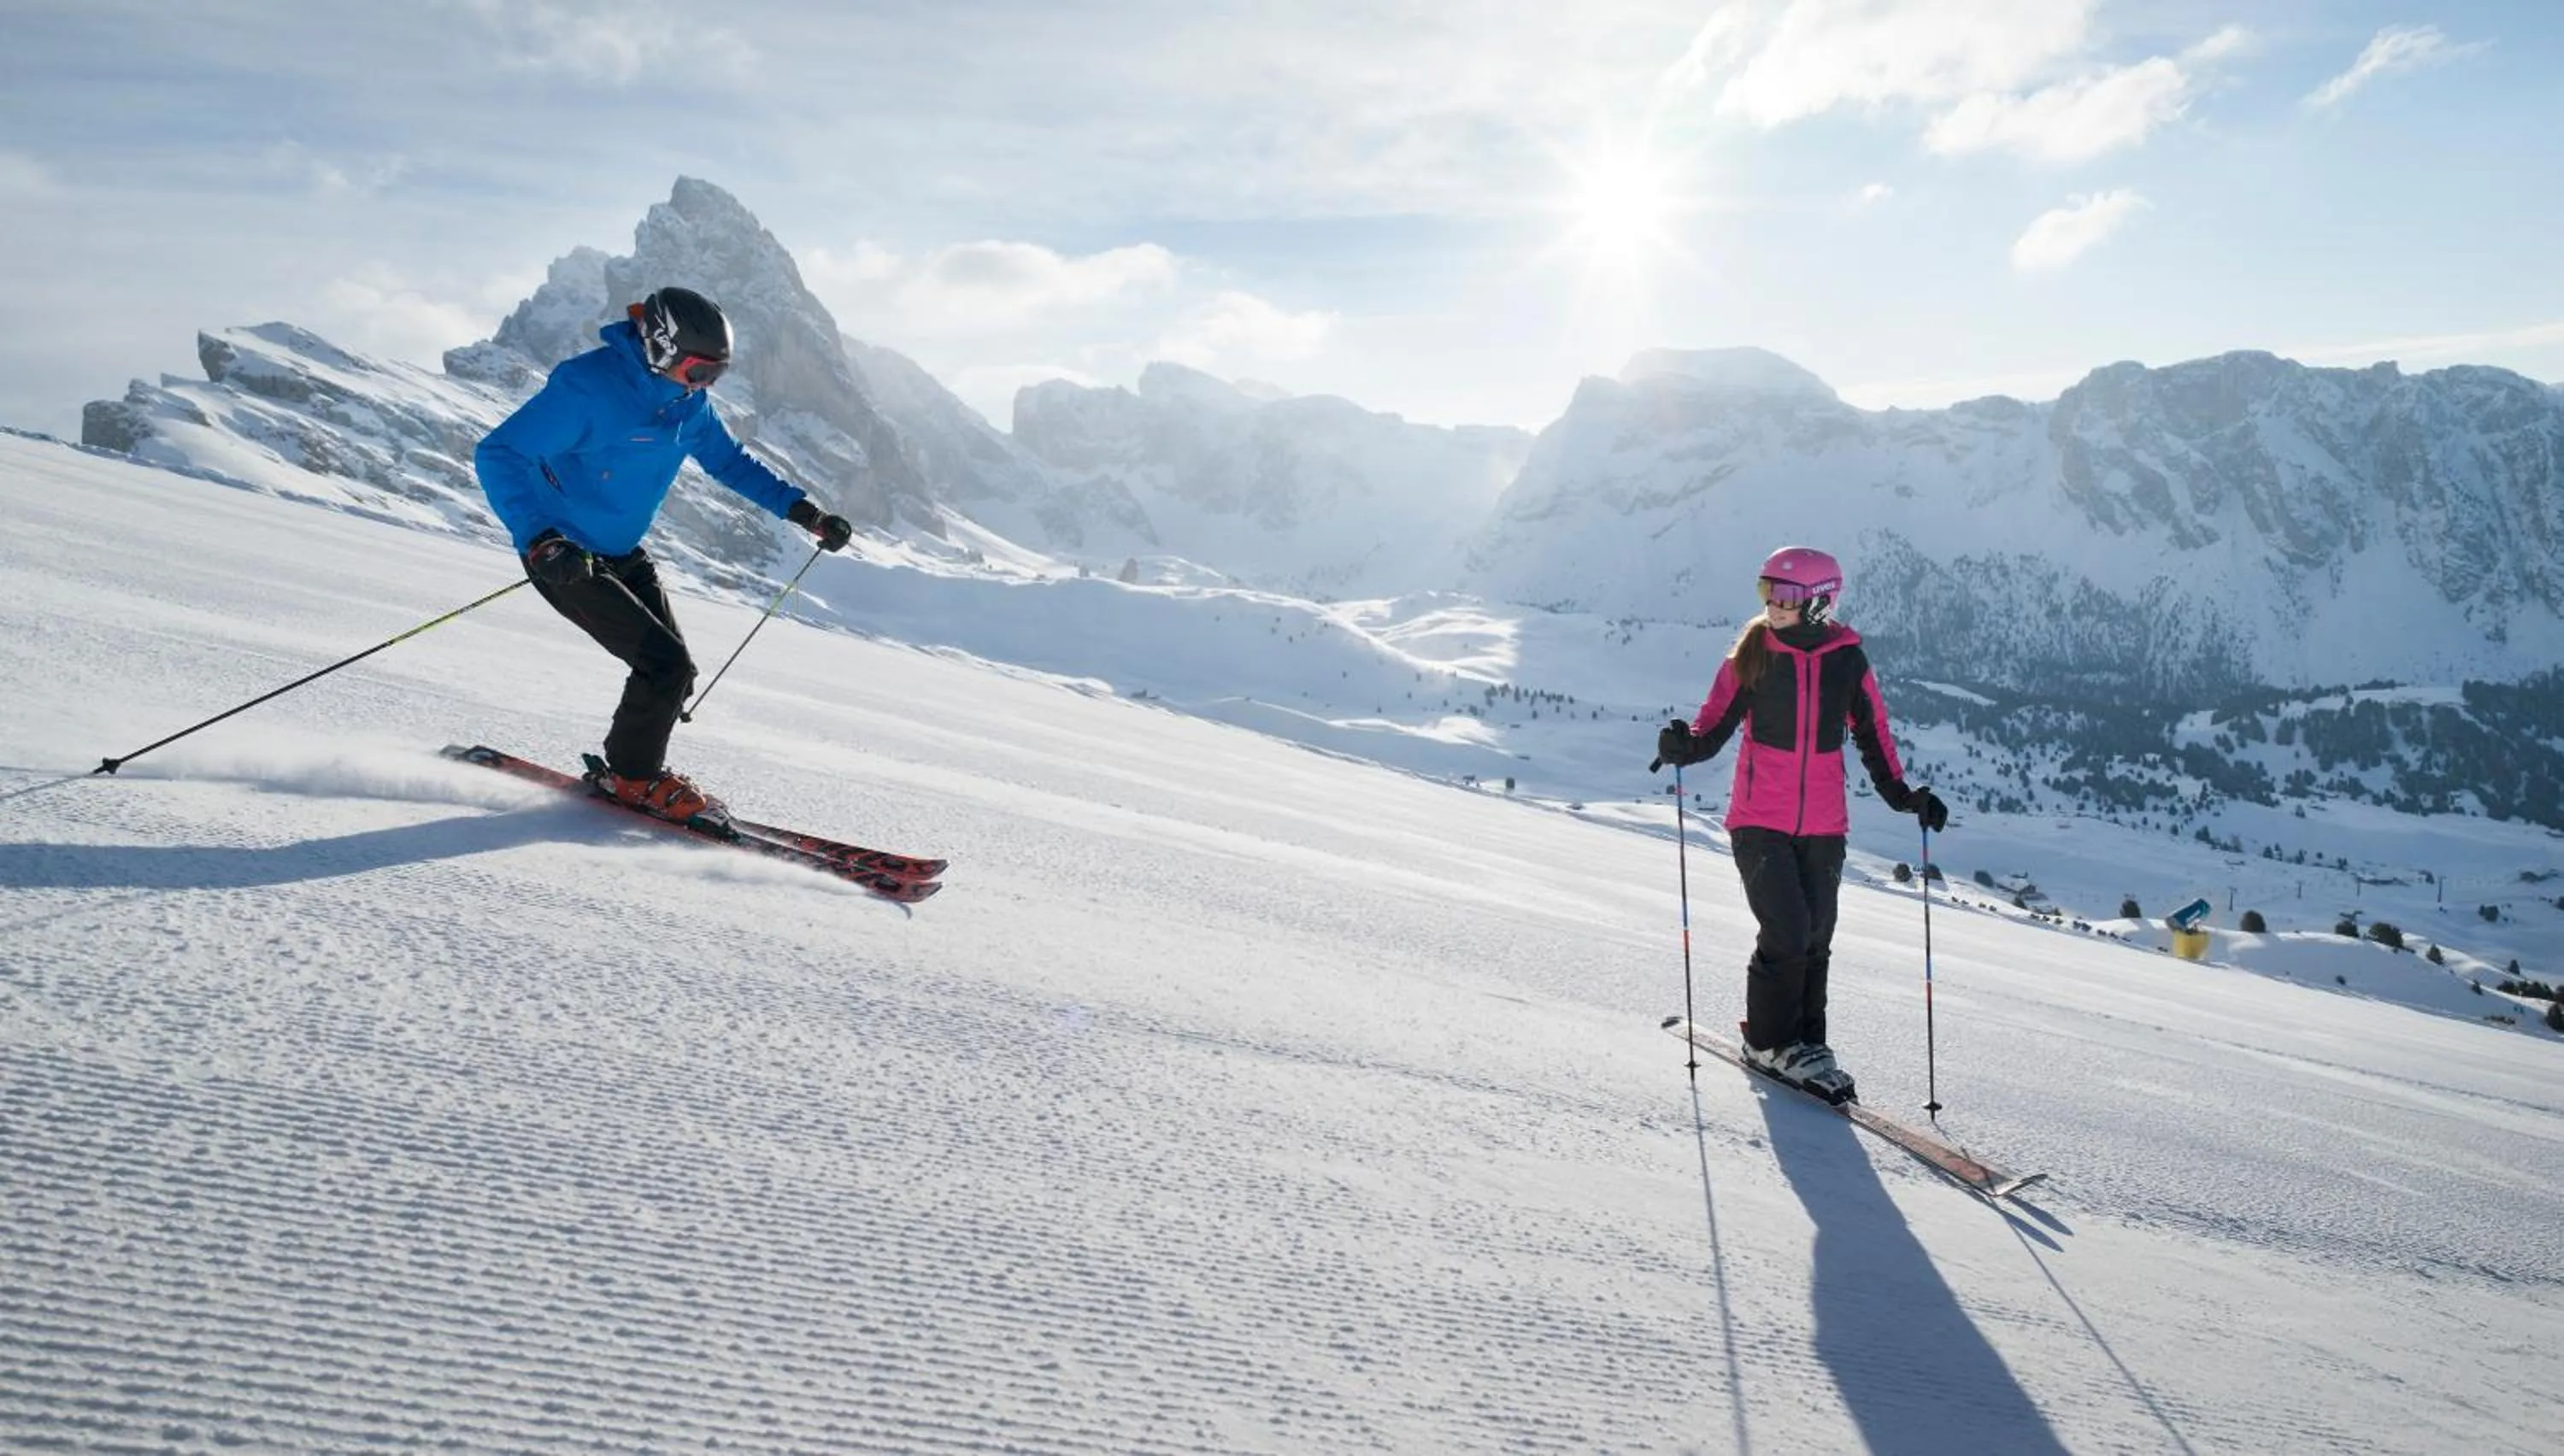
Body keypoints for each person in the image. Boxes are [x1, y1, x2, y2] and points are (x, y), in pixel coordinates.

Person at [473, 285, 855, 824]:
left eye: (717, 374)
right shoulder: (589, 389)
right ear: (659, 348)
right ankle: (634, 779)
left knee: (677, 673)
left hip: (622, 553)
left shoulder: (687, 404)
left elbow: (729, 463)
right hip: (564, 557)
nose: (707, 385)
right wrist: (539, 537)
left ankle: (624, 770)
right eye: (700, 371)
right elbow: (499, 453)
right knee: (664, 666)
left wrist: (804, 513)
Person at [1649, 546, 1949, 1104]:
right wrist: (1682, 747)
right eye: (1766, 592)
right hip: (1759, 819)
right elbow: (1712, 727)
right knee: (1786, 932)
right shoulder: (1754, 653)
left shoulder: (1847, 660)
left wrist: (1907, 797)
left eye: (1784, 596)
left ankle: (1809, 1044)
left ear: (1818, 603)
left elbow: (1873, 735)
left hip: (1824, 826)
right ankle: (1767, 1043)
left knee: (1816, 936)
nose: (1772, 605)